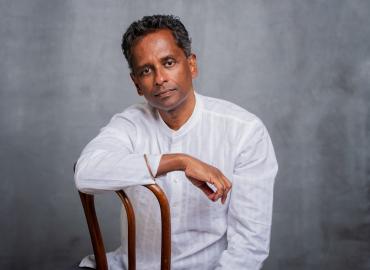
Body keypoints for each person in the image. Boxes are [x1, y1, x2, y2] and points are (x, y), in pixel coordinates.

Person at [75, 14, 278, 270]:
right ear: (136, 83)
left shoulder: (245, 131)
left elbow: (249, 248)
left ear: (191, 65)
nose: (159, 79)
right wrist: (179, 162)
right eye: (146, 70)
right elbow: (85, 173)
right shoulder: (130, 124)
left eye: (168, 62)